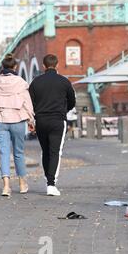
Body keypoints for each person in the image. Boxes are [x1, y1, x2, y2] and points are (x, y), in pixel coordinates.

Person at [0, 53, 35, 196]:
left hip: (0, 120)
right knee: (19, 153)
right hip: (17, 120)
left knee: (4, 153)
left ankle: (6, 186)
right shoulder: (20, 82)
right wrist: (31, 121)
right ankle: (21, 184)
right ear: (15, 66)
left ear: (2, 67)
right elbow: (27, 103)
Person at [29, 54, 76, 197]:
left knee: (45, 151)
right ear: (57, 65)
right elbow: (72, 101)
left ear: (43, 66)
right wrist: (63, 110)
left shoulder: (35, 82)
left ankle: (48, 178)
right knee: (55, 151)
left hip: (41, 121)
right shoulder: (64, 82)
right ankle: (51, 184)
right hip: (57, 120)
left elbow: (30, 102)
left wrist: (34, 117)